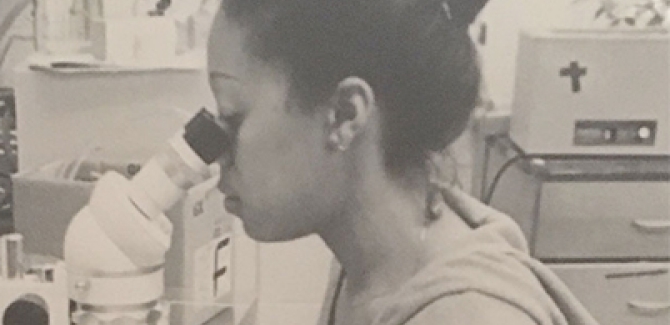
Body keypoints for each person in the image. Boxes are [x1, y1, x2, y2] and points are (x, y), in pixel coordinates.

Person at [205, 0, 599, 324]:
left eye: (232, 116)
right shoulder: (372, 266)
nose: (215, 152)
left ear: (345, 114)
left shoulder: (464, 315)